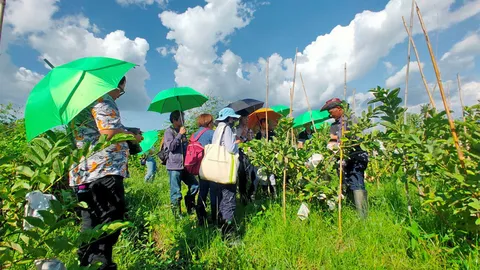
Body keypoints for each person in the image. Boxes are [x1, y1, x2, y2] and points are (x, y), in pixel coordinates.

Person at [69, 76, 143, 269]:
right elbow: (108, 132)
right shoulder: (103, 98)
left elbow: (94, 131)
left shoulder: (79, 103)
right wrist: (132, 136)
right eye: (121, 90)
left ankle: (84, 261)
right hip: (104, 169)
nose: (119, 96)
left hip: (83, 172)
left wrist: (125, 129)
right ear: (111, 84)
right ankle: (101, 263)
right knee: (110, 218)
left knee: (90, 218)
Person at [321, 98, 369, 218]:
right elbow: (332, 139)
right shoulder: (333, 125)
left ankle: (362, 215)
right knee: (345, 182)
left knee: (357, 181)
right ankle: (352, 208)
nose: (329, 114)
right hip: (342, 159)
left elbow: (357, 139)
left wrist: (343, 144)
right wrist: (331, 146)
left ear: (339, 109)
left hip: (356, 156)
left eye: (331, 111)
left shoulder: (352, 120)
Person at [164, 110, 199, 218]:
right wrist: (179, 135)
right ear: (174, 120)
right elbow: (171, 147)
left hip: (185, 165)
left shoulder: (182, 131)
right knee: (176, 191)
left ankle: (190, 206)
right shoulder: (168, 132)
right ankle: (177, 215)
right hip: (174, 166)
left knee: (195, 185)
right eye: (181, 119)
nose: (183, 121)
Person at [212, 107, 241, 239]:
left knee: (221, 199)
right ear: (229, 118)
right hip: (226, 169)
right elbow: (230, 148)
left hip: (217, 170)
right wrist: (237, 144)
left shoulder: (217, 130)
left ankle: (221, 228)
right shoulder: (227, 129)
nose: (234, 120)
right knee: (229, 201)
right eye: (233, 118)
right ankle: (228, 235)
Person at [193, 114, 217, 226]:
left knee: (202, 191)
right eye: (212, 121)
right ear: (209, 122)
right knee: (213, 192)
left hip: (199, 167)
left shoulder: (195, 135)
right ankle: (214, 217)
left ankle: (201, 217)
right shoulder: (211, 133)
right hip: (211, 166)